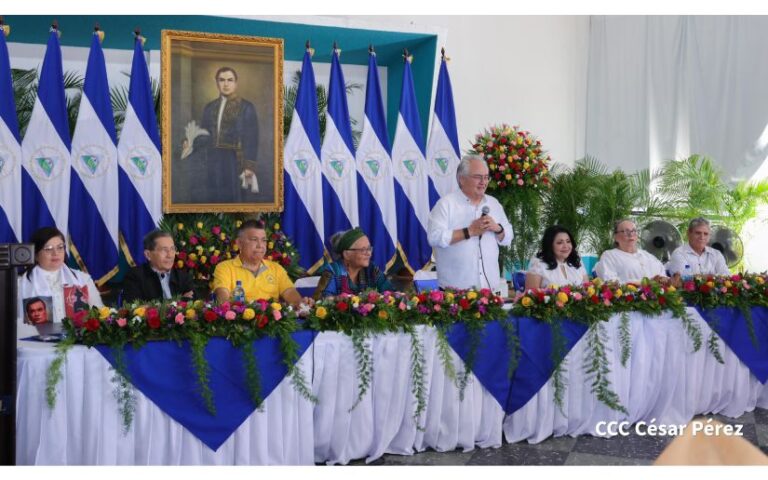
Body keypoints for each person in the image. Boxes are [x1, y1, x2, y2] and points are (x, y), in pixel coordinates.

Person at [427, 154, 513, 292]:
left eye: (486, 177)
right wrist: (469, 231)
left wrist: (497, 228)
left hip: (489, 289)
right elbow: (434, 237)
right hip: (455, 292)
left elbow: (508, 237)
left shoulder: (494, 204)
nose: (483, 182)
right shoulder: (446, 204)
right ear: (462, 179)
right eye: (478, 177)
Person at [180, 66, 259, 204]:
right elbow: (204, 134)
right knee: (214, 195)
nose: (226, 84)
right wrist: (190, 142)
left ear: (236, 83)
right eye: (222, 80)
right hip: (212, 159)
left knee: (234, 198)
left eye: (230, 80)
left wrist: (249, 166)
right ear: (217, 83)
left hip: (235, 160)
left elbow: (252, 138)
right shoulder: (209, 107)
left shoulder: (246, 107)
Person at [17, 226, 104, 339]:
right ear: (36, 255)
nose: (55, 253)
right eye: (48, 249)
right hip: (34, 345)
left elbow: (99, 313)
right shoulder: (20, 284)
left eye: (60, 247)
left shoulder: (83, 280)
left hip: (78, 342)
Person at [212, 220, 309, 306]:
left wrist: (301, 304)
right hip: (239, 319)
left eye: (263, 240)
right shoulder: (225, 268)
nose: (260, 245)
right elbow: (222, 297)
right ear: (239, 243)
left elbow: (289, 292)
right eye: (254, 240)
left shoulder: (276, 268)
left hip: (271, 319)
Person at [314, 227, 393, 298]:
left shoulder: (371, 269)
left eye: (369, 249)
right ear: (347, 255)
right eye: (363, 250)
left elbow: (390, 292)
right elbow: (323, 301)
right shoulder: (333, 271)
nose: (369, 253)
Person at [122, 230, 195, 303]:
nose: (170, 255)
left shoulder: (183, 277)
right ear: (148, 255)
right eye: (164, 250)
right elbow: (135, 307)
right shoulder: (135, 277)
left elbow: (194, 303)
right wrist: (179, 301)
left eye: (172, 249)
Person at [594, 219, 668, 283]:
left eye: (634, 231)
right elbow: (610, 283)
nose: (631, 234)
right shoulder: (610, 256)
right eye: (626, 231)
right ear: (616, 237)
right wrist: (643, 284)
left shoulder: (648, 256)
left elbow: (663, 276)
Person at [525, 225, 589, 289]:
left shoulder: (576, 260)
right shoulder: (538, 263)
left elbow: (587, 288)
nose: (566, 246)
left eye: (568, 241)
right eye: (559, 243)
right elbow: (530, 293)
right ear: (550, 245)